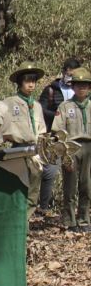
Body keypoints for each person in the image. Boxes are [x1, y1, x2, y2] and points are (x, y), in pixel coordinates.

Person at [2, 63, 46, 218]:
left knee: (33, 190)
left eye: (33, 81)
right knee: (17, 187)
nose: (31, 84)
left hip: (34, 151)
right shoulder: (10, 102)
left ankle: (25, 221)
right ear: (20, 82)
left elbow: (42, 130)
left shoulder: (37, 105)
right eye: (27, 81)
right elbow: (2, 128)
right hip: (17, 150)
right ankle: (16, 222)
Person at [38, 57, 81, 212]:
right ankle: (44, 207)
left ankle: (73, 208)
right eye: (67, 74)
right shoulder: (51, 89)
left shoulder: (82, 90)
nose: (69, 78)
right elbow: (40, 109)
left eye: (73, 75)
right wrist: (56, 115)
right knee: (50, 172)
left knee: (76, 173)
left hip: (76, 137)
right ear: (63, 72)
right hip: (55, 136)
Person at [51, 67, 91, 231]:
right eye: (78, 85)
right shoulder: (65, 106)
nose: (81, 88)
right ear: (72, 87)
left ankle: (84, 218)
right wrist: (64, 154)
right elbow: (58, 131)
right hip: (71, 148)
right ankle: (69, 220)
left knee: (87, 185)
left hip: (89, 147)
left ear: (89, 88)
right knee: (70, 186)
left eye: (85, 85)